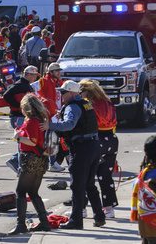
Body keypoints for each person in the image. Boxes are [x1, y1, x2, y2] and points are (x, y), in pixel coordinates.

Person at [49, 80, 106, 230]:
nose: (61, 95)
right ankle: (99, 216)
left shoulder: (73, 106)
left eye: (64, 92)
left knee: (77, 186)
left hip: (81, 148)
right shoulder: (85, 104)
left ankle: (76, 220)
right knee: (89, 185)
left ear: (73, 93)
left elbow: (69, 125)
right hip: (93, 146)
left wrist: (50, 125)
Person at [8, 94, 51, 235]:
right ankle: (44, 222)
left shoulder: (32, 121)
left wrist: (18, 137)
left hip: (31, 159)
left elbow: (32, 141)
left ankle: (21, 225)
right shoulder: (41, 120)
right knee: (33, 192)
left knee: (20, 192)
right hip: (40, 159)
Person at [79, 79, 118, 219]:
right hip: (112, 139)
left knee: (84, 175)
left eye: (81, 91)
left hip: (96, 139)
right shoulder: (108, 102)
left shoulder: (89, 104)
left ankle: (81, 208)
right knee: (105, 176)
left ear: (87, 92)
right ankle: (109, 209)